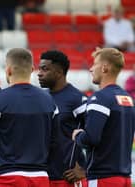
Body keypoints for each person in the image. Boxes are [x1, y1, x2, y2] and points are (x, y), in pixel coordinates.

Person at [0, 48, 57, 187]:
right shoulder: (49, 101)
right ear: (32, 69)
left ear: (8, 70)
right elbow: (55, 142)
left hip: (7, 175)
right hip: (39, 176)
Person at [72, 48, 135, 187]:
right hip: (125, 177)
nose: (90, 69)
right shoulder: (128, 98)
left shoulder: (100, 98)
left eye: (94, 64)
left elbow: (91, 138)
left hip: (103, 178)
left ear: (104, 68)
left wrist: (78, 135)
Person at [38, 50, 87, 187]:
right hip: (41, 175)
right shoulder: (39, 98)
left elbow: (97, 135)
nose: (39, 73)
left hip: (67, 177)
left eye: (44, 69)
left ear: (59, 72)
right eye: (39, 68)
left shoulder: (78, 100)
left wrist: (85, 168)